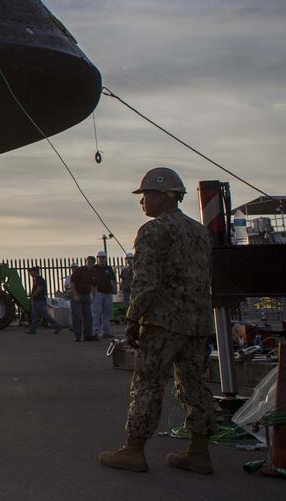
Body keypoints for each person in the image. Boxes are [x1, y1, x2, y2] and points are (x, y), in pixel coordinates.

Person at [99, 167, 218, 475]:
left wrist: (133, 319)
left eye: (146, 196)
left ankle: (134, 450)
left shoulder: (153, 231)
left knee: (148, 384)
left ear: (164, 196)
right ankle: (199, 452)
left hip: (163, 323)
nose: (142, 203)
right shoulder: (199, 231)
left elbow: (146, 283)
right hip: (198, 323)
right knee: (195, 386)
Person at [23, 265, 63, 335]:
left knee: (44, 315)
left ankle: (57, 326)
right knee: (35, 315)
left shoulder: (39, 279)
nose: (30, 274)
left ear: (35, 272)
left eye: (31, 272)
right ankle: (32, 329)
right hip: (37, 300)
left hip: (40, 300)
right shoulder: (37, 279)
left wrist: (32, 296)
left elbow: (39, 289)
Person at [69, 257, 99, 342]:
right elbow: (72, 282)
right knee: (77, 316)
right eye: (89, 262)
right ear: (86, 262)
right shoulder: (79, 270)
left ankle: (88, 335)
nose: (90, 264)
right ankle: (77, 336)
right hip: (77, 294)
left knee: (88, 316)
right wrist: (75, 295)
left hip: (86, 295)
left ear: (94, 263)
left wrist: (93, 296)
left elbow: (95, 285)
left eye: (92, 262)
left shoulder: (94, 273)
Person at [93, 250, 118, 339]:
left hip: (107, 293)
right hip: (98, 293)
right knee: (96, 312)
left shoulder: (109, 268)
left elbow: (113, 279)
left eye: (103, 258)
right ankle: (95, 331)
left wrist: (114, 287)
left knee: (107, 313)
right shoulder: (94, 268)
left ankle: (105, 331)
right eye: (100, 258)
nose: (102, 259)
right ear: (98, 259)